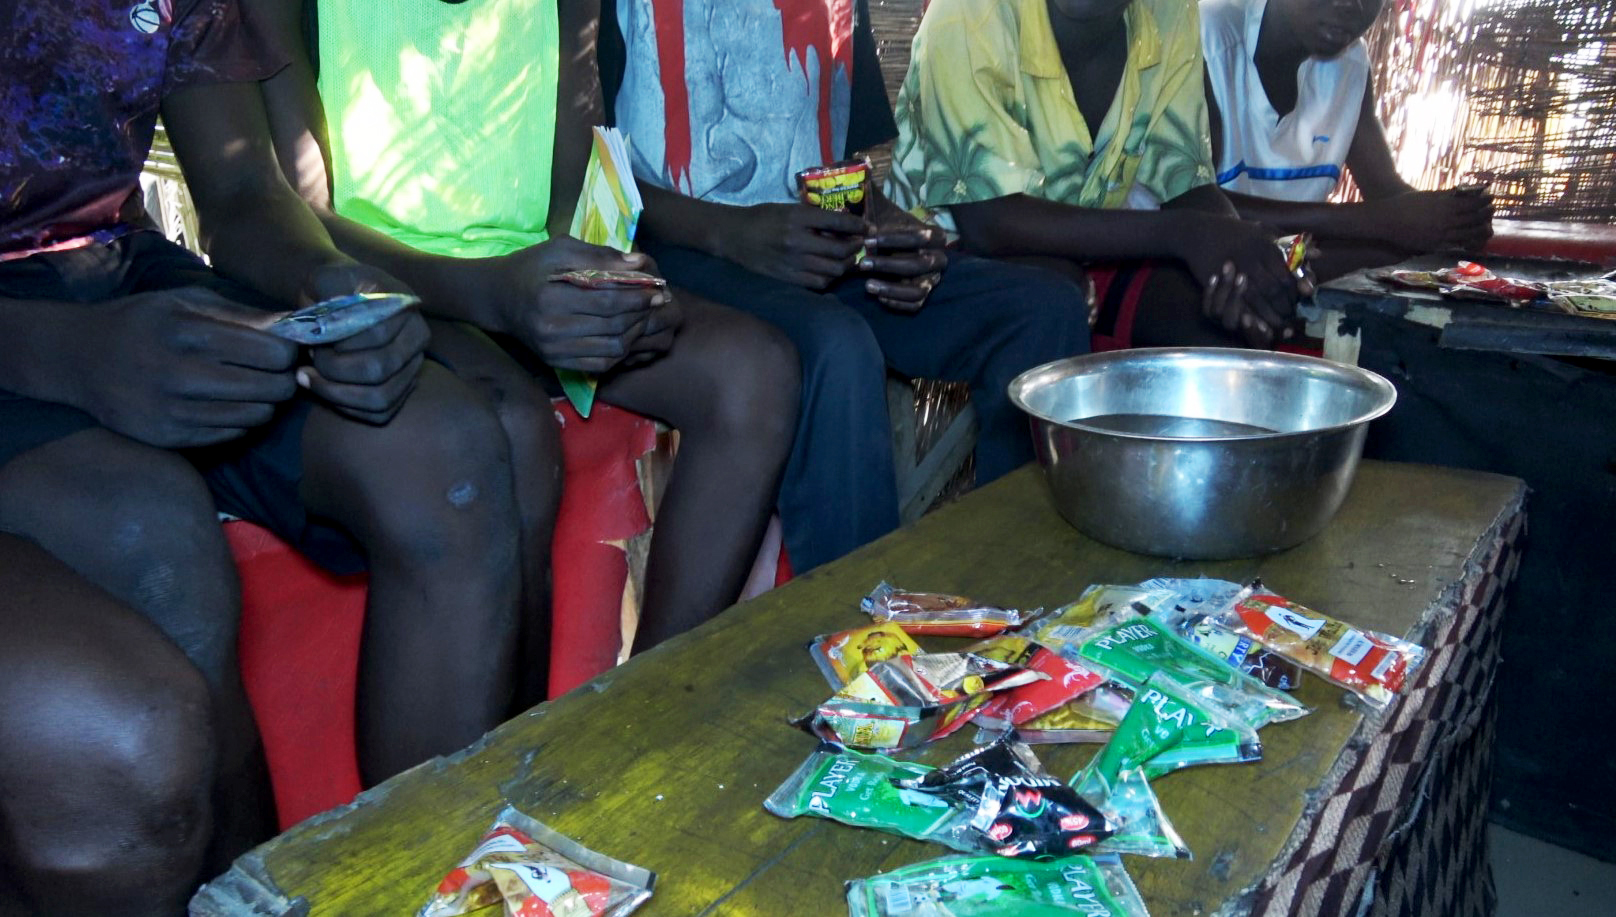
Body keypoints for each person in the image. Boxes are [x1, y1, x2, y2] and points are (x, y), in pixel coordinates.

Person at [1, 1, 533, 911]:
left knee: (443, 450)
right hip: (23, 339)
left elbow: (244, 194)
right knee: (149, 532)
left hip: (120, 269)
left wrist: (328, 282)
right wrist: (71, 359)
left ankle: (417, 884)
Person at [257, 0, 799, 666]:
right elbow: (301, 221)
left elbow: (573, 189)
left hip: (529, 282)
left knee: (753, 370)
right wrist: (499, 295)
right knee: (510, 426)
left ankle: (652, 698)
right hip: (384, 296)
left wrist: (610, 282)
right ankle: (520, 749)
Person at [599, 0, 1092, 573]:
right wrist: (732, 234)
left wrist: (900, 237)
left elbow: (841, 169)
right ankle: (853, 628)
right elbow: (591, 172)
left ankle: (1016, 584)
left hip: (814, 251)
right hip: (678, 254)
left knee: (1042, 310)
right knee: (837, 347)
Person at [889, 0, 1301, 350]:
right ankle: (1032, 448)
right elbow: (989, 224)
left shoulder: (1168, 11)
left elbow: (1187, 186)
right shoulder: (971, 13)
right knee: (1050, 302)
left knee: (1219, 326)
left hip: (1079, 255)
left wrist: (1242, 267)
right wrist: (1186, 233)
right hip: (933, 267)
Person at [1200, 0, 1493, 276]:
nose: (1351, 4)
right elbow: (1193, 204)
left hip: (1283, 266)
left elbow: (1386, 192)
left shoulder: (1350, 64)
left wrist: (1453, 221)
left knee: (1396, 261)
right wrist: (1373, 221)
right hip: (1192, 277)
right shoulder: (1207, 41)